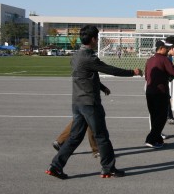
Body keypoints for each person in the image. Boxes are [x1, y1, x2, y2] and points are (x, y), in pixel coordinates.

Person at [45, 25, 142, 179]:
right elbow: (110, 70)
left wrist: (102, 87)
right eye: (97, 38)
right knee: (101, 136)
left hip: (77, 102)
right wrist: (132, 72)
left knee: (75, 137)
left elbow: (86, 76)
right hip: (90, 103)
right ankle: (108, 168)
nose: (98, 41)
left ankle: (56, 166)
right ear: (93, 39)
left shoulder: (76, 56)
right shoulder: (89, 57)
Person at [144, 39, 174, 148]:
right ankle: (150, 139)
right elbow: (173, 72)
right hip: (160, 92)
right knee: (162, 117)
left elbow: (146, 76)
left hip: (149, 91)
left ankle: (157, 139)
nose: (169, 49)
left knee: (155, 116)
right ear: (161, 48)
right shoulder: (164, 59)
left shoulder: (150, 59)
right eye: (167, 48)